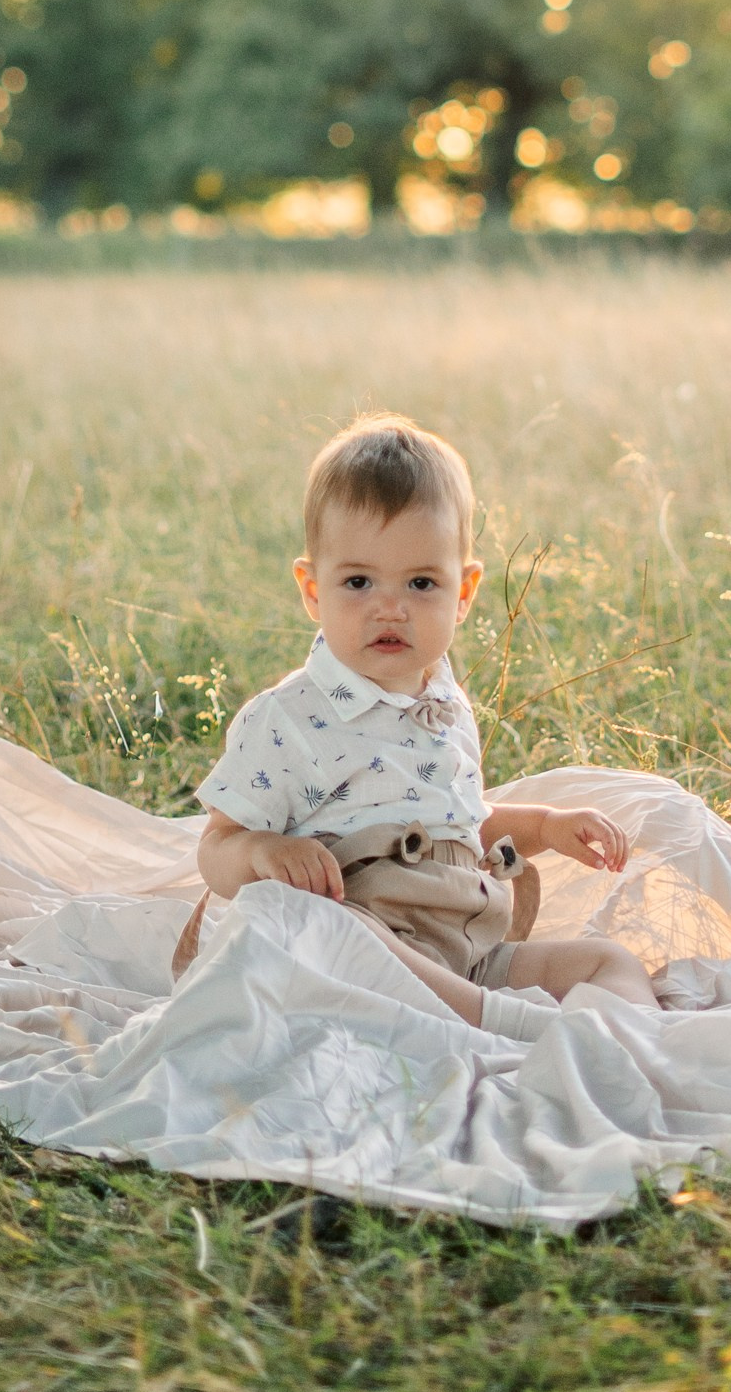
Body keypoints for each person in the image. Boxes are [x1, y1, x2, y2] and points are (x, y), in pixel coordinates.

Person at [192, 410, 658, 1030]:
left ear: (463, 594)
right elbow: (216, 848)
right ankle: (500, 1027)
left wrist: (546, 826)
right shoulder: (288, 720)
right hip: (360, 952)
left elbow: (454, 825)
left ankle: (635, 1038)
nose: (390, 607)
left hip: (466, 950)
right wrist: (261, 848)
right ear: (312, 590)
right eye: (358, 581)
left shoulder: (445, 702)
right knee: (311, 925)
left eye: (420, 583)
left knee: (609, 961)